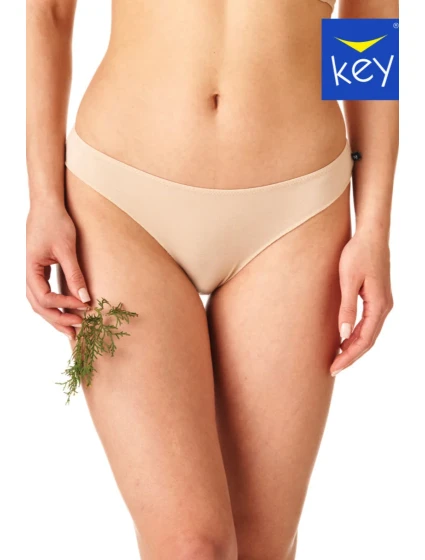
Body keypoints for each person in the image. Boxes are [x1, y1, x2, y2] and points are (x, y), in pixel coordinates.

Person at [26, 1, 398, 558]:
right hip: (119, 201)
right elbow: (51, 12)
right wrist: (43, 199)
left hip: (296, 214)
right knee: (191, 546)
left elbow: (367, 29)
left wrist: (373, 228)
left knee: (260, 547)